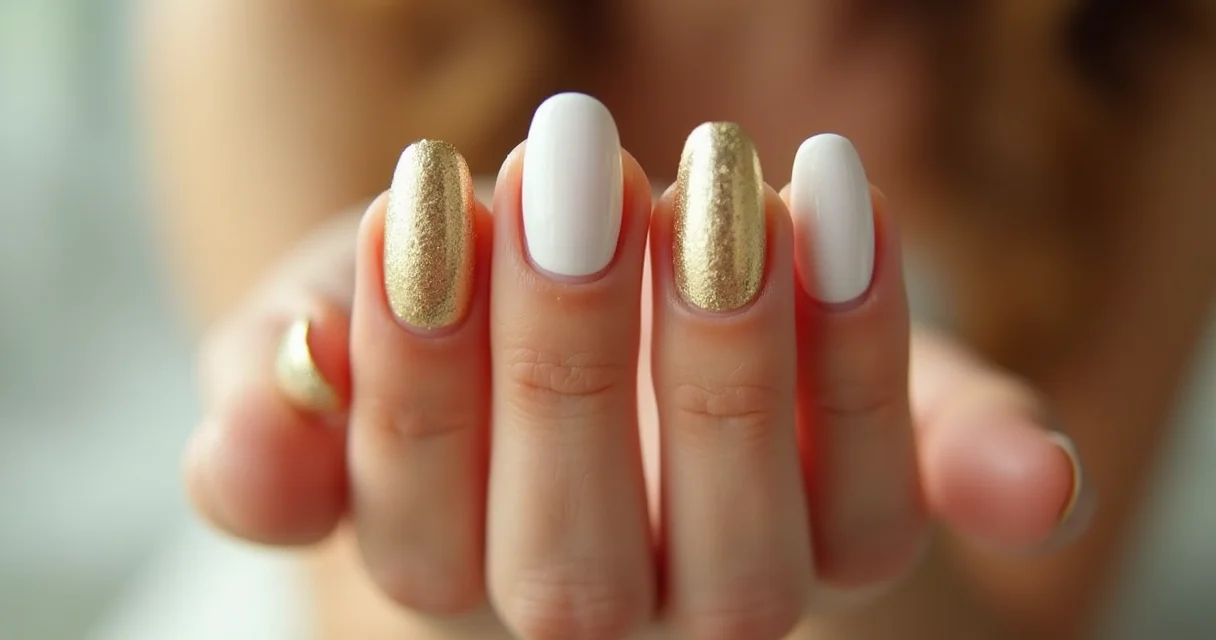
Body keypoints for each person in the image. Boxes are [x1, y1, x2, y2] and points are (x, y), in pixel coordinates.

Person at [139, 0, 1216, 638]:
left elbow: (1034, 616)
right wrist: (349, 420)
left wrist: (870, 587)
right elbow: (344, 604)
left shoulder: (1150, 49)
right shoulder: (272, 18)